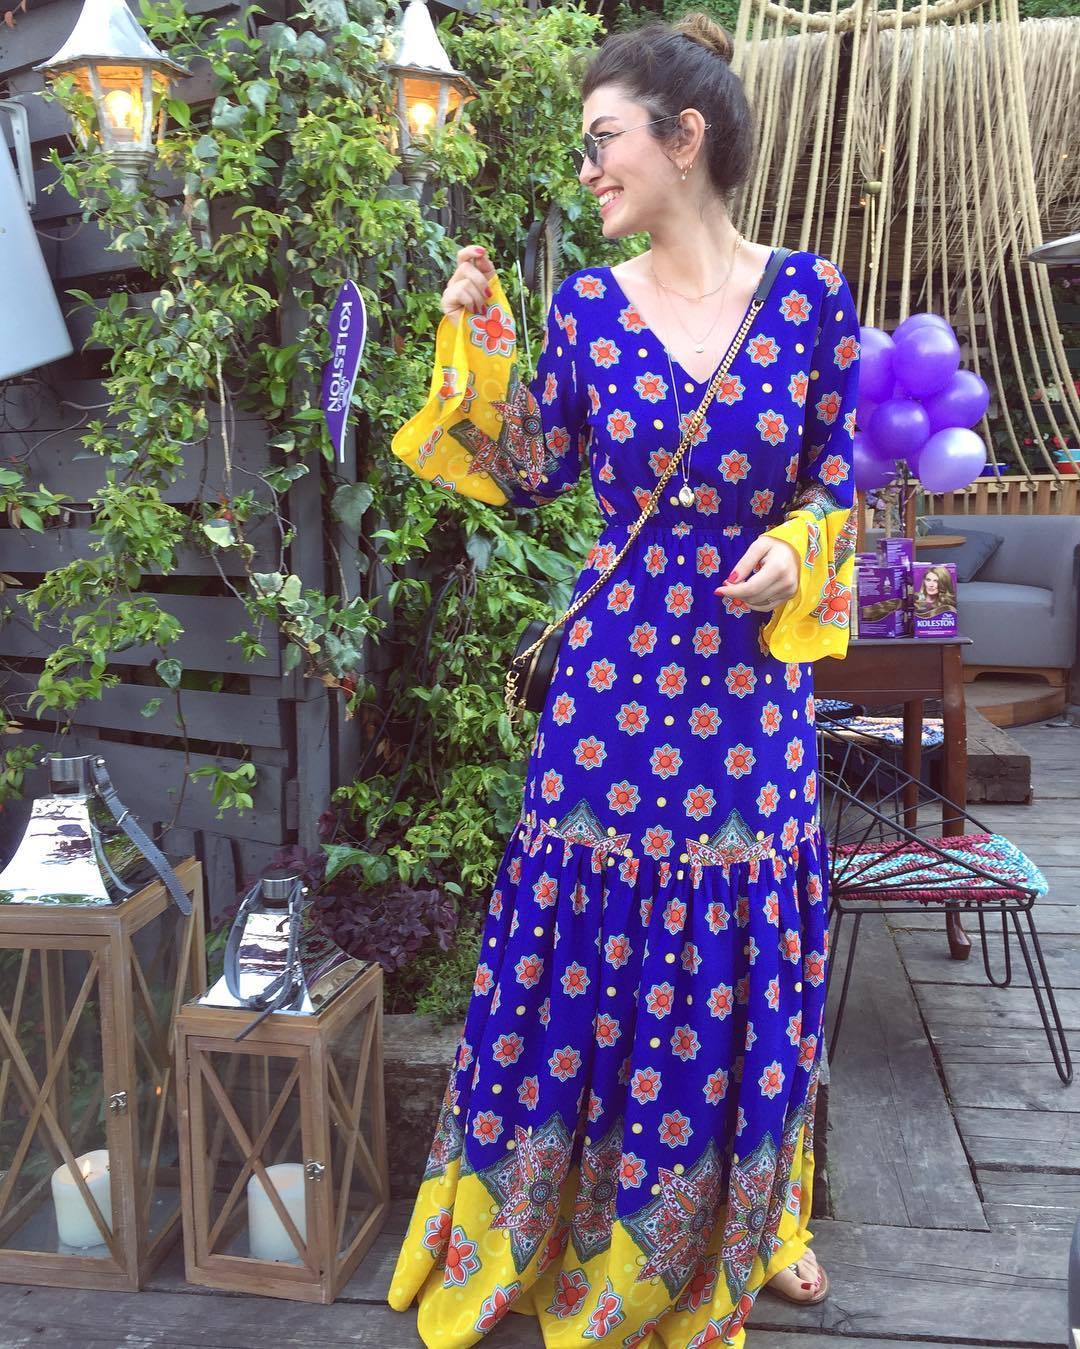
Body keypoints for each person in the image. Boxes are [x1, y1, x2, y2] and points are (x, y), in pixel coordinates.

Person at [388, 13, 860, 1346]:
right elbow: (530, 468)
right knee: (588, 951)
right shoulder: (588, 310)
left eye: (606, 140)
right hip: (613, 694)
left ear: (685, 137)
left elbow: (846, 480)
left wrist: (800, 545)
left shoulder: (811, 298)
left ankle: (748, 1223)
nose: (588, 168)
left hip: (749, 694)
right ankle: (566, 1227)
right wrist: (477, 340)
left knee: (741, 953)